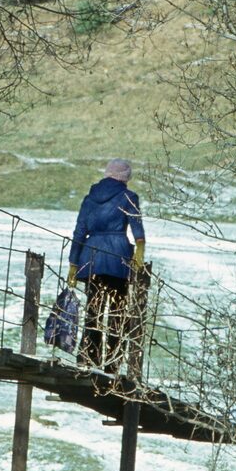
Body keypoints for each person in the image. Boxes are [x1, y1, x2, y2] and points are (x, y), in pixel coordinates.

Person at [67, 159, 145, 374]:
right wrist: (139, 254)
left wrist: (73, 264)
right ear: (126, 177)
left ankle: (85, 359)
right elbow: (138, 232)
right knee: (118, 314)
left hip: (90, 257)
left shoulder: (89, 198)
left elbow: (79, 232)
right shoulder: (129, 197)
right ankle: (112, 365)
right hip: (117, 258)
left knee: (94, 311)